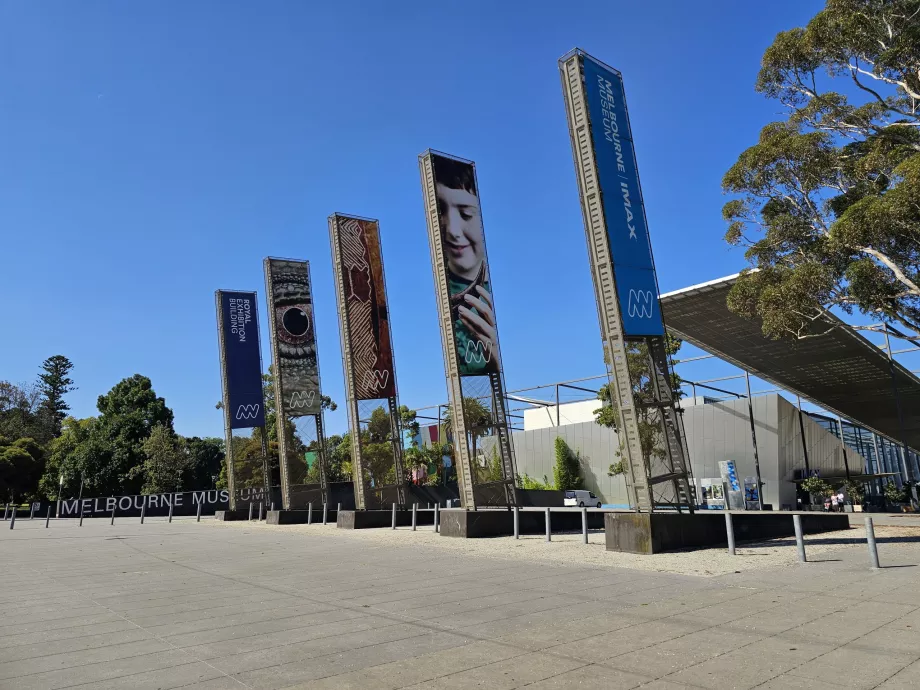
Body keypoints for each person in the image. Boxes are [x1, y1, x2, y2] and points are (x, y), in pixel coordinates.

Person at [433, 154, 499, 376]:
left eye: (466, 213)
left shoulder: (491, 295)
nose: (452, 230)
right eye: (441, 210)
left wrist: (495, 363)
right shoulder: (440, 292)